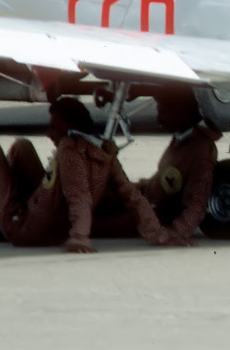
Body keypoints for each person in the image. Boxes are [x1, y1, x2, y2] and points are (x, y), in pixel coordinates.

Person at [0, 97, 182, 252]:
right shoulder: (104, 153)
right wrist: (158, 234)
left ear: (69, 128)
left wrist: (79, 238)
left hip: (25, 229)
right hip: (52, 224)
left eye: (54, 127)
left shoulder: (69, 153)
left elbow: (78, 195)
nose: (49, 132)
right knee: (22, 147)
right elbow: (131, 194)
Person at [91, 91, 220, 242]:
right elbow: (161, 182)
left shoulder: (199, 150)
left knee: (85, 225)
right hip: (143, 201)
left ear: (181, 112)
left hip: (150, 217)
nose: (159, 117)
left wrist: (176, 233)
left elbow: (197, 201)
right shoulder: (183, 140)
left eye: (163, 111)